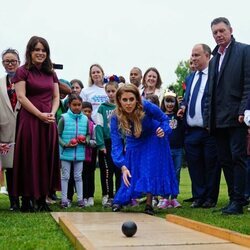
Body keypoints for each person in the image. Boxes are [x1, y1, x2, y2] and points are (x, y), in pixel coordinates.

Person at [205, 17, 250, 214]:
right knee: (224, 160)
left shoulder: (244, 51)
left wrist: (243, 110)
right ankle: (233, 200)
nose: (218, 35)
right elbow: (210, 92)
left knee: (237, 158)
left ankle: (239, 201)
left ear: (230, 30)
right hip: (218, 119)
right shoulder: (214, 59)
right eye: (215, 32)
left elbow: (248, 84)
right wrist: (208, 120)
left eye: (222, 31)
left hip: (236, 117)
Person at [111, 84, 178, 215]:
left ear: (137, 99)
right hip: (134, 141)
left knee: (149, 168)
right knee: (130, 169)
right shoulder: (115, 116)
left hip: (153, 137)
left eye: (131, 99)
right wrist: (122, 165)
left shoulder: (146, 106)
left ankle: (149, 204)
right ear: (119, 100)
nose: (129, 103)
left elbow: (164, 119)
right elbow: (116, 143)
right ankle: (120, 200)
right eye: (125, 100)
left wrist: (163, 130)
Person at [12, 36, 61, 212]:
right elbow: (21, 97)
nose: (40, 53)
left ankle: (42, 199)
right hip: (30, 119)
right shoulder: (22, 71)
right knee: (29, 157)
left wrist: (51, 114)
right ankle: (27, 199)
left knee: (46, 158)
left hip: (48, 121)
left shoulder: (51, 73)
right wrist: (39, 114)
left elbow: (56, 97)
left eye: (43, 50)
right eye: (37, 50)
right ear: (30, 52)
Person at [178, 44, 220, 209]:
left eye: (197, 55)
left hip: (209, 130)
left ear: (207, 56)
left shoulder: (216, 75)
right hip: (191, 131)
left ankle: (210, 198)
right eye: (192, 55)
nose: (193, 58)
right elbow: (188, 98)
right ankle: (198, 197)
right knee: (194, 166)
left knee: (211, 165)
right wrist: (182, 107)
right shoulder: (190, 77)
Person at [58, 94, 88, 208]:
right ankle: (64, 200)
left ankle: (80, 200)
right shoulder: (64, 118)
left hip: (79, 153)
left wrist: (85, 141)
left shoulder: (85, 119)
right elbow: (58, 135)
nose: (77, 107)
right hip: (66, 153)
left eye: (79, 105)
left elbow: (88, 134)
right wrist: (65, 145)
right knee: (65, 176)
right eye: (74, 105)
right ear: (69, 105)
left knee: (78, 176)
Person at [0, 48, 21, 210]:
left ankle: (28, 199)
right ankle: (14, 201)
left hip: (23, 127)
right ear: (3, 64)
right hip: (5, 128)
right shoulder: (1, 83)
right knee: (10, 168)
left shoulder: (25, 80)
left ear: (19, 62)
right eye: (7, 61)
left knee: (26, 166)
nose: (10, 64)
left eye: (13, 60)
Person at [96, 76, 121, 207]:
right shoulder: (102, 108)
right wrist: (100, 144)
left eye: (113, 91)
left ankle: (119, 195)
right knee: (108, 171)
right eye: (109, 91)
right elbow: (99, 126)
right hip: (106, 143)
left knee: (119, 170)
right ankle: (108, 195)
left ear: (118, 91)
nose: (111, 94)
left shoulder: (122, 106)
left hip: (119, 143)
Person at [158, 90, 184, 209]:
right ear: (163, 102)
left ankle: (174, 198)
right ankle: (164, 198)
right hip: (164, 150)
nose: (169, 104)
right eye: (167, 101)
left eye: (172, 101)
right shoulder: (161, 116)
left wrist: (181, 117)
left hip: (178, 149)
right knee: (165, 173)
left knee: (176, 173)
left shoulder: (179, 116)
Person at [81, 101, 97, 207]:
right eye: (84, 111)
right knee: (81, 176)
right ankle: (83, 197)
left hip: (91, 154)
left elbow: (95, 141)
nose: (87, 113)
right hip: (80, 155)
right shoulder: (79, 124)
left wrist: (87, 142)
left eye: (89, 111)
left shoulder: (94, 126)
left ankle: (90, 196)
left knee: (90, 175)